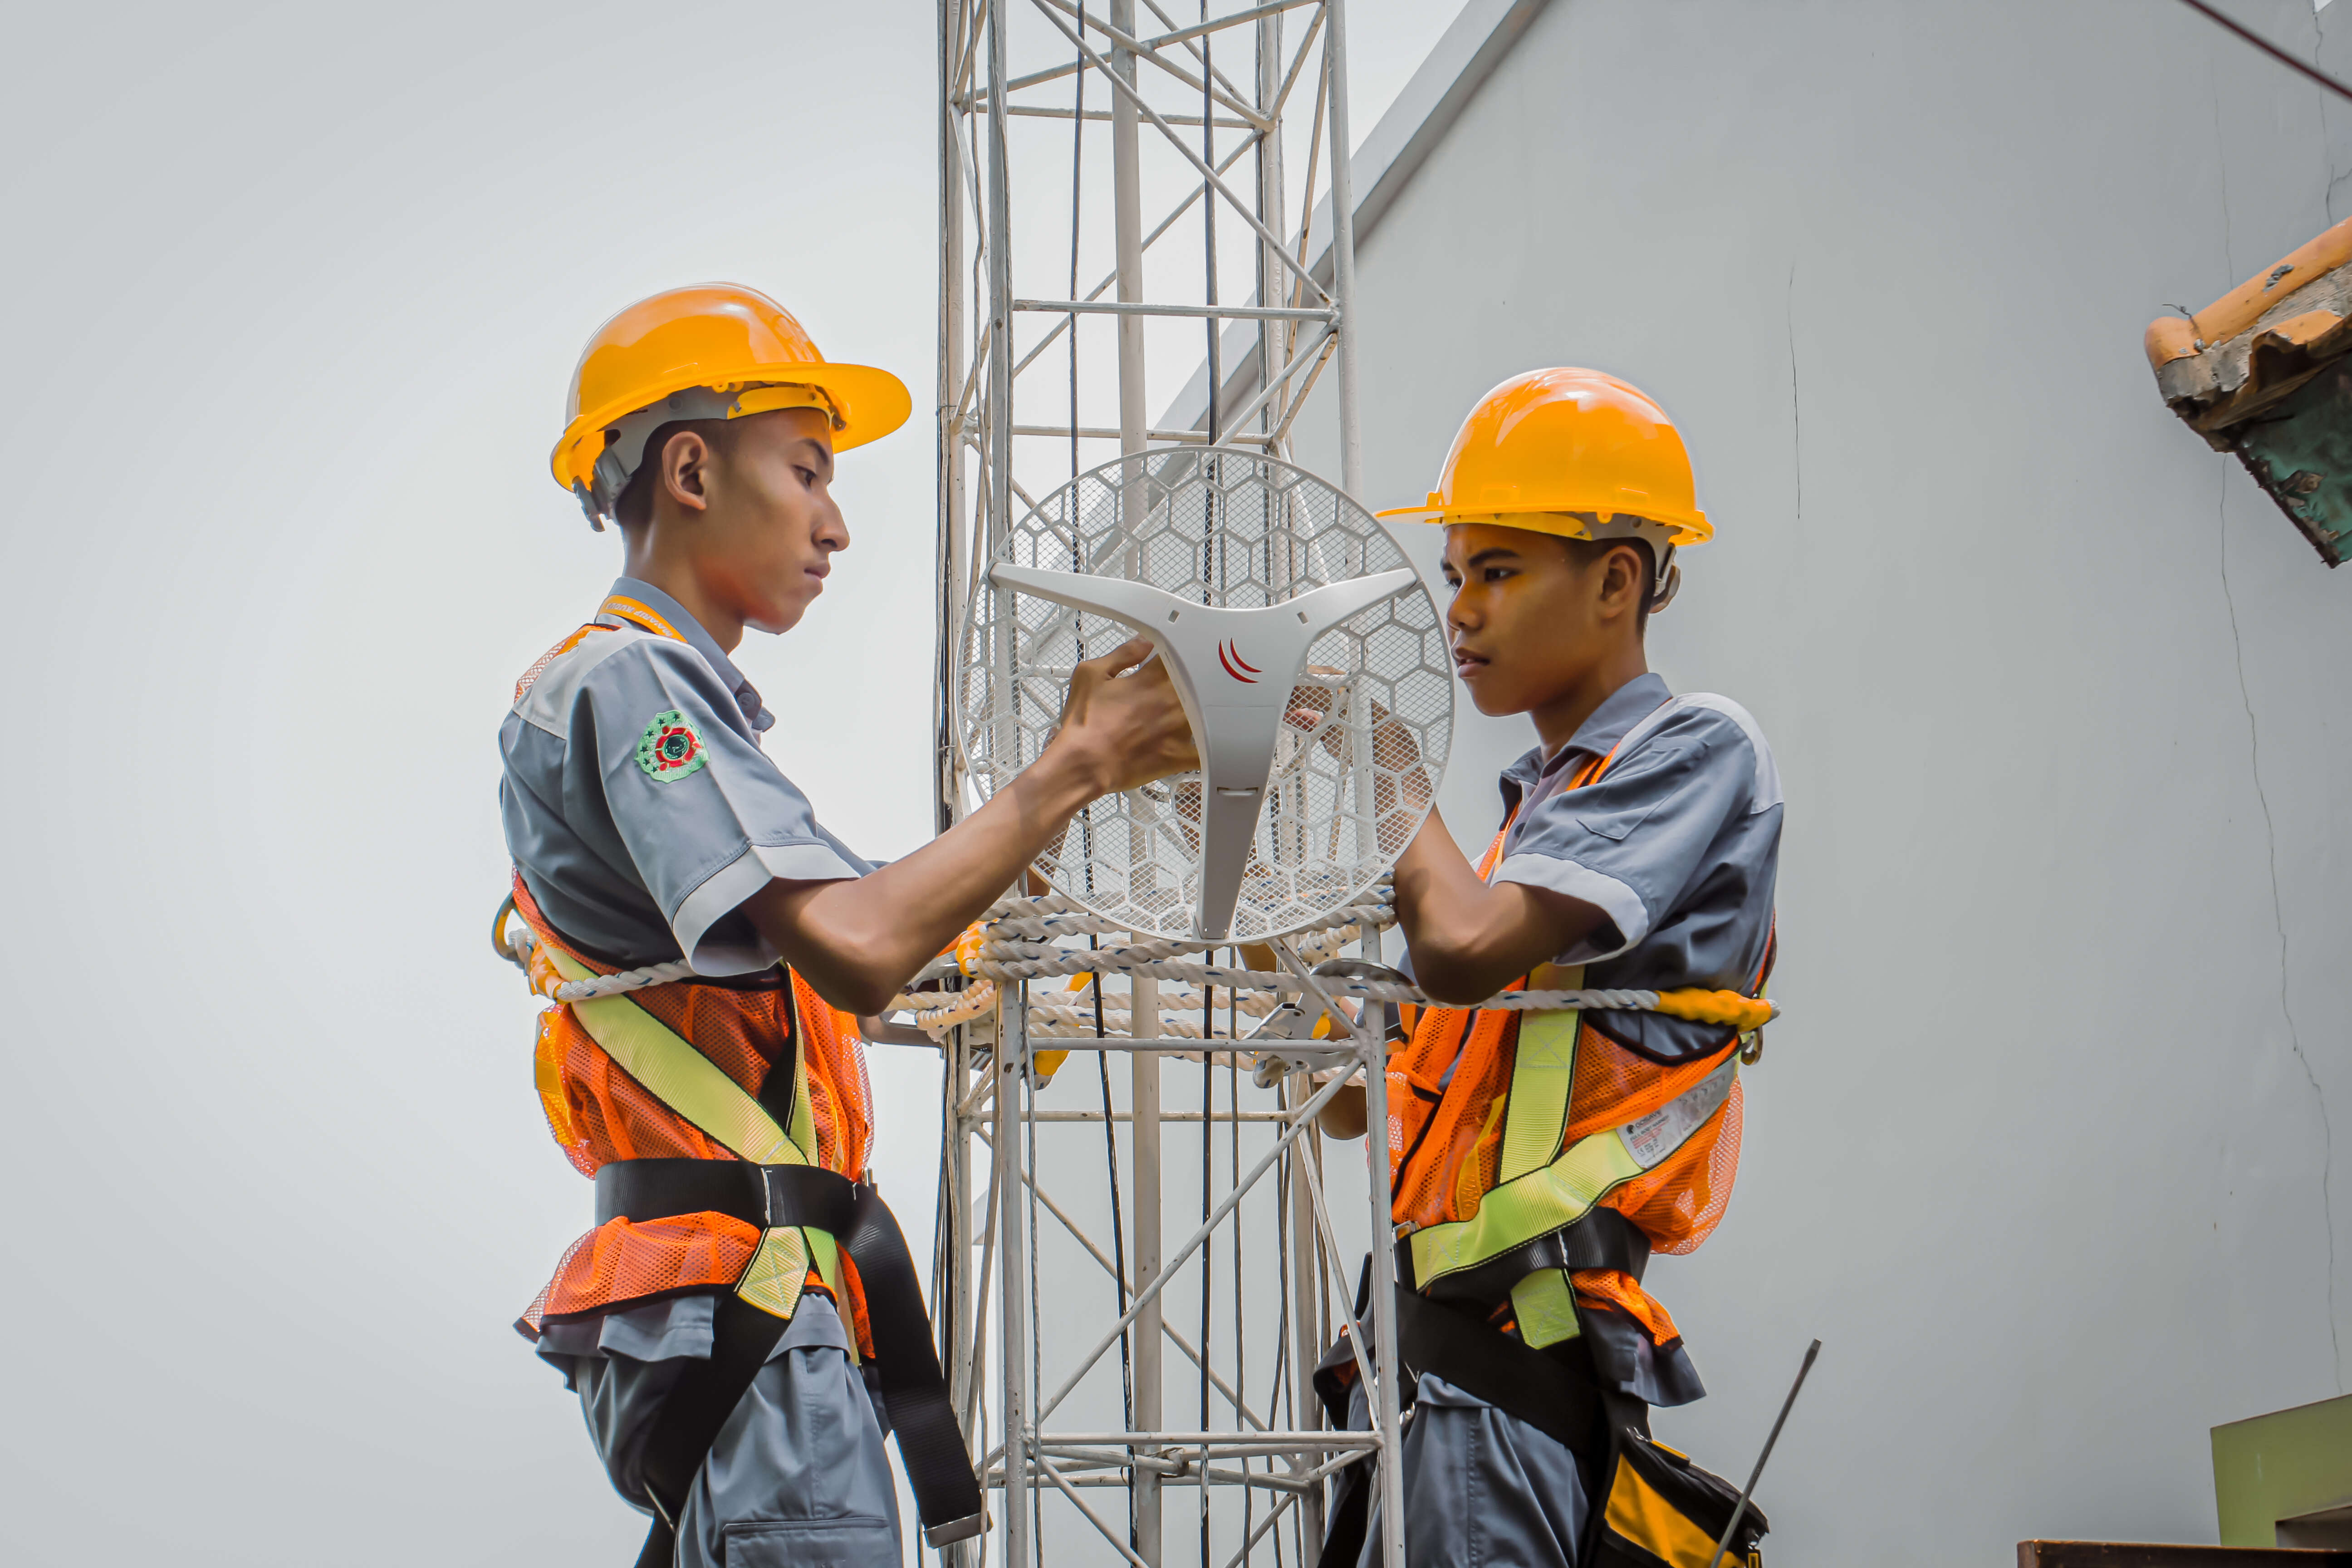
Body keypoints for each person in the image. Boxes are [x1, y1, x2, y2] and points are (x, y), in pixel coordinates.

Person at [496, 283, 1195, 1567]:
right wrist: (1072, 770)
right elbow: (864, 947)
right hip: (745, 1313)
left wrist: (1036, 886)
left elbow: (881, 927)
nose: (836, 524)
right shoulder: (631, 684)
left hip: (725, 1319)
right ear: (691, 469)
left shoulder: (670, 709)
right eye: (809, 472)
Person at [1326, 368, 1782, 1567]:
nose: (1460, 612)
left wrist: (1375, 753)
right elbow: (1341, 1099)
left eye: (1499, 571)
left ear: (1619, 579)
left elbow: (1466, 953)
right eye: (1455, 575)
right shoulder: (1515, 846)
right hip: (1434, 1369)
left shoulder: (1692, 752)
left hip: (1509, 1354)